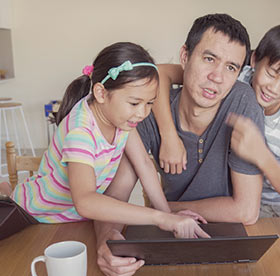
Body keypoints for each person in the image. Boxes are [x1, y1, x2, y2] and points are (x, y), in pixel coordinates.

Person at [94, 14, 264, 276]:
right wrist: (106, 240)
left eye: (231, 67)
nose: (217, 77)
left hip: (228, 243)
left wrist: (160, 211)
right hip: (172, 241)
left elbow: (246, 211)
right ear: (184, 56)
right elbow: (115, 197)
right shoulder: (146, 111)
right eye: (209, 59)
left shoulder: (243, 104)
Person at [0, 42, 209, 239]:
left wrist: (169, 216)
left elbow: (144, 163)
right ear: (100, 93)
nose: (142, 113)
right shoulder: (81, 131)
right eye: (135, 103)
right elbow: (85, 201)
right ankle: (5, 191)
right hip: (32, 216)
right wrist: (160, 218)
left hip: (75, 219)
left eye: (149, 103)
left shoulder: (121, 119)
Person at [157, 23, 280, 217]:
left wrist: (260, 154)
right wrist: (169, 135)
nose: (274, 88)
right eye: (271, 74)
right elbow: (160, 73)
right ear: (254, 60)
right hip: (253, 194)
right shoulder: (234, 75)